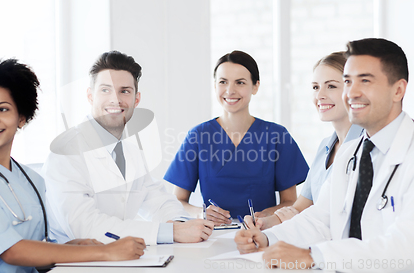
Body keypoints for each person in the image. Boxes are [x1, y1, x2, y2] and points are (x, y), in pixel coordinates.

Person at [0, 59, 146, 273]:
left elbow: (34, 257)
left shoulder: (31, 179)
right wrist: (106, 252)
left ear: (21, 118)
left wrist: (66, 249)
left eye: (2, 109)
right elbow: (10, 251)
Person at [235, 38, 414, 272]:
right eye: (348, 81)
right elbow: (321, 218)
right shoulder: (351, 153)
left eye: (365, 81)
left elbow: (406, 246)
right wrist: (269, 238)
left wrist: (315, 256)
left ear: (398, 90)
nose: (352, 92)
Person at [42, 51, 214, 246]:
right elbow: (84, 226)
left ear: (136, 100)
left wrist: (179, 223)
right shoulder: (66, 151)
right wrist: (170, 232)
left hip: (121, 258)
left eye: (124, 91)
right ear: (90, 96)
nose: (116, 100)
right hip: (76, 264)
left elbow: (157, 199)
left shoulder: (130, 152)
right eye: (106, 90)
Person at [164, 50, 309, 225]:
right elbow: (177, 201)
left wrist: (268, 215)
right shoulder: (198, 136)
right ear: (215, 85)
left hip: (262, 232)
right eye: (223, 82)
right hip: (210, 235)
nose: (230, 90)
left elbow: (290, 201)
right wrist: (201, 214)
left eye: (240, 82)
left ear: (255, 86)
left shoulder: (277, 136)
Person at [257, 52, 362, 230]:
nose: (319, 95)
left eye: (331, 86)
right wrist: (263, 224)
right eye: (315, 87)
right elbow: (299, 208)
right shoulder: (325, 147)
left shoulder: (367, 146)